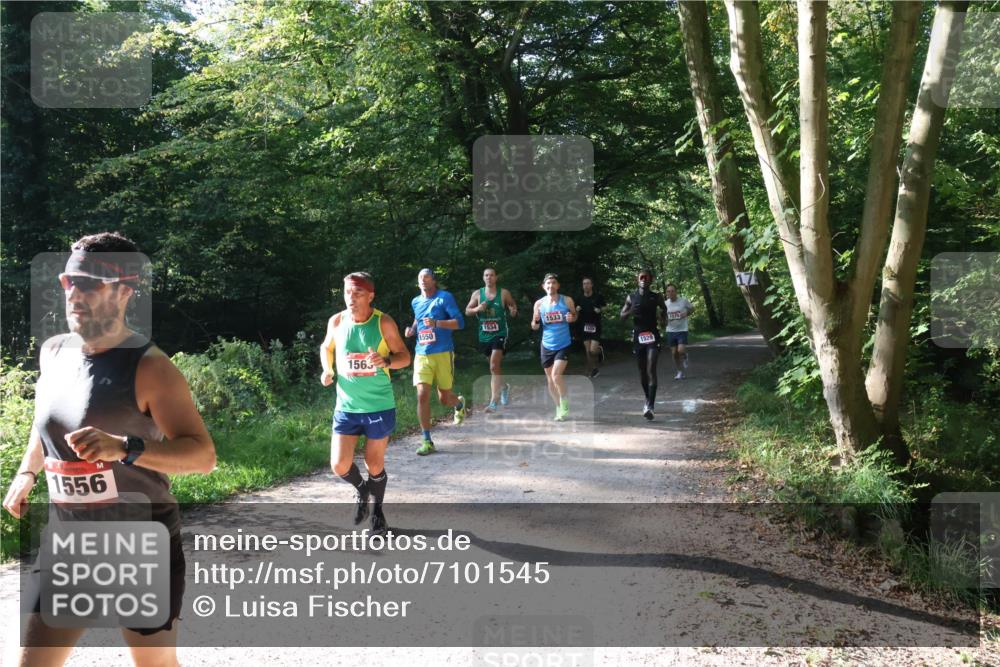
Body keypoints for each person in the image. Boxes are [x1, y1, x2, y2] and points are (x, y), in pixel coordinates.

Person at [2, 232, 216, 666]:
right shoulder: (54, 352)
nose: (75, 294)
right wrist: (27, 472)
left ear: (124, 291)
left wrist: (126, 448)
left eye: (90, 283)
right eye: (68, 282)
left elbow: (202, 456)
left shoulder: (152, 368)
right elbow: (45, 424)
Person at [320, 272, 411, 536]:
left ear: (370, 296)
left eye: (358, 293)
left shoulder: (384, 323)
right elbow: (327, 347)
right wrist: (327, 369)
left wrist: (387, 362)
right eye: (348, 292)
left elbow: (404, 356)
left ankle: (378, 513)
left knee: (374, 464)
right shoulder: (336, 321)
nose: (352, 298)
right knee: (339, 465)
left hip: (378, 406)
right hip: (347, 407)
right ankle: (362, 489)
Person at [403, 269, 466, 456]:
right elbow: (418, 318)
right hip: (422, 353)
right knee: (422, 395)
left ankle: (459, 404)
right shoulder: (415, 301)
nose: (423, 280)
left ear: (434, 280)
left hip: (443, 353)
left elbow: (460, 323)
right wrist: (412, 329)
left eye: (427, 277)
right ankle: (427, 440)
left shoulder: (444, 298)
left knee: (444, 398)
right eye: (420, 277)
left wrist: (437, 324)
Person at [465, 267, 517, 413]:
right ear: (483, 278)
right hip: (484, 335)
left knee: (494, 367)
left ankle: (493, 402)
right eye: (486, 275)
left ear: (496, 278)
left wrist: (513, 310)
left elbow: (512, 305)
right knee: (495, 368)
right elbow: (467, 311)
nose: (489, 277)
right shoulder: (477, 294)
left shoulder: (504, 293)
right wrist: (477, 309)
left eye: (492, 275)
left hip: (500, 333)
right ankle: (504, 387)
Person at [619, 268, 669, 420]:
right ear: (637, 279)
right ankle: (647, 399)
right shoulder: (631, 297)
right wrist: (630, 311)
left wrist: (663, 319)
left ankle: (651, 407)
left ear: (651, 280)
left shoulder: (656, 296)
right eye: (641, 277)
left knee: (651, 369)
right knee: (642, 372)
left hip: (653, 336)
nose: (644, 279)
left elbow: (664, 310)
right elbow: (621, 317)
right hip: (638, 337)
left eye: (647, 277)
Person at [531, 273, 576, 421]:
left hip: (563, 343)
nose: (551, 286)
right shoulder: (539, 304)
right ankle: (558, 409)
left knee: (556, 375)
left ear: (558, 285)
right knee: (550, 380)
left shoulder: (567, 300)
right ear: (544, 287)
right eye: (548, 284)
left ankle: (564, 401)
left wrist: (571, 318)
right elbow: (534, 327)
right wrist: (536, 320)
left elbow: (574, 316)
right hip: (546, 344)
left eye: (553, 283)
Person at [574, 276, 606, 378]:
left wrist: (600, 310)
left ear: (591, 285)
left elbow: (605, 307)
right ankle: (594, 369)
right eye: (584, 284)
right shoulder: (579, 298)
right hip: (584, 326)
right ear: (582, 286)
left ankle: (599, 350)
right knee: (588, 351)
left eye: (588, 283)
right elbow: (573, 312)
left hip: (595, 325)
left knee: (592, 350)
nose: (586, 286)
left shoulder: (598, 296)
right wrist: (576, 310)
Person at [664, 283, 695, 380]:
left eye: (673, 291)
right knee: (674, 353)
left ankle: (685, 355)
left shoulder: (683, 301)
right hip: (670, 330)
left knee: (680, 350)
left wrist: (687, 313)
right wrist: (663, 320)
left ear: (676, 292)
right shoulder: (665, 304)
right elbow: (663, 316)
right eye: (668, 291)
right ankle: (680, 372)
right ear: (666, 293)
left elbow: (692, 308)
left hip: (682, 329)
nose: (671, 293)